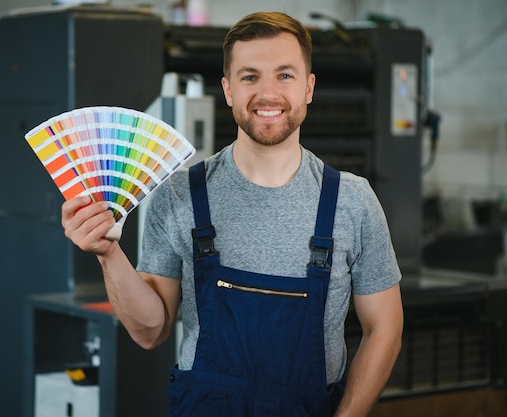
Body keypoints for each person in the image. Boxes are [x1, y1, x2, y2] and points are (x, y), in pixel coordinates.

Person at [62, 11, 403, 417]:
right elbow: (151, 331)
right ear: (227, 89)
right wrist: (108, 254)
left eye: (285, 75)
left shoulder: (353, 201)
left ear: (309, 87)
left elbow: (385, 330)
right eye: (249, 76)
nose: (267, 93)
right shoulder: (177, 195)